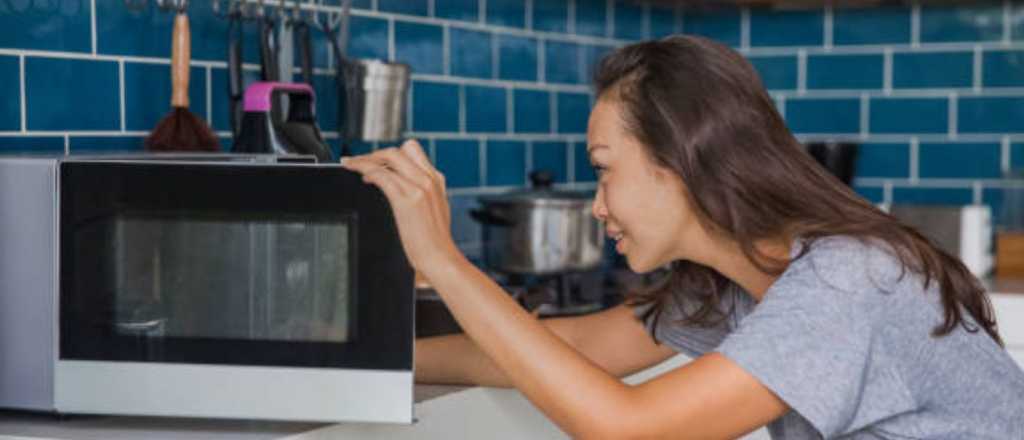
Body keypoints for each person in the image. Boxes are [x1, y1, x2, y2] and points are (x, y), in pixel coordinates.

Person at [340, 35, 1024, 439]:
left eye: (604, 172)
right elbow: (578, 348)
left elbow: (628, 428)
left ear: (681, 163)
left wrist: (444, 260)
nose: (598, 206)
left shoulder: (845, 282)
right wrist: (364, 356)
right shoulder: (743, 280)